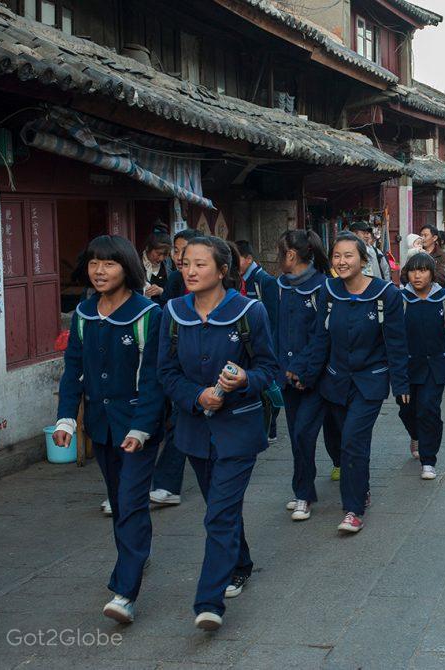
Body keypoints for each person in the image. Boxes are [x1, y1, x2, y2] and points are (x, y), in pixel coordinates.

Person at [158, 236, 279, 630]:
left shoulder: (249, 311)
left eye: (200, 264)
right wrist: (196, 396)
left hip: (238, 430)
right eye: (185, 263)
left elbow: (268, 369)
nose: (190, 271)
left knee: (219, 514)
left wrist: (244, 378)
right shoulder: (173, 313)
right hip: (194, 431)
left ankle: (208, 602)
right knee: (219, 506)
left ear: (223, 270)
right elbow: (166, 373)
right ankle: (240, 562)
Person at [53, 235, 164, 624]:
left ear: (127, 267)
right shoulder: (84, 313)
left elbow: (153, 378)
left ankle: (125, 591)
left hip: (138, 427)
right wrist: (67, 417)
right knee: (119, 501)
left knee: (132, 501)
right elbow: (74, 370)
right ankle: (132, 559)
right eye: (94, 263)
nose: (99, 271)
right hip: (100, 426)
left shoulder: (148, 314)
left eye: (110, 264)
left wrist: (142, 427)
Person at [311, 233, 410, 533]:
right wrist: (303, 373)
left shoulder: (386, 294)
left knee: (353, 439)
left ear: (364, 260)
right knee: (346, 443)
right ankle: (361, 487)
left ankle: (352, 510)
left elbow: (396, 342)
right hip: (335, 380)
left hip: (370, 381)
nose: (342, 262)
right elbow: (319, 337)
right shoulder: (328, 291)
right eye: (337, 256)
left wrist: (401, 384)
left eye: (348, 255)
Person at [275, 230, 333, 522]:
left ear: (291, 255)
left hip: (315, 377)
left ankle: (304, 494)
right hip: (287, 376)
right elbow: (278, 331)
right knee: (298, 435)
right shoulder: (280, 286)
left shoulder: (323, 287)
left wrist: (303, 369)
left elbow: (321, 336)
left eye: (279, 252)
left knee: (304, 433)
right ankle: (302, 490)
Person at [398, 253, 445, 479]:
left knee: (428, 409)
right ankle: (416, 435)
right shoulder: (399, 299)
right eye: (412, 270)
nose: (417, 275)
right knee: (406, 411)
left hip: (436, 365)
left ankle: (429, 460)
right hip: (407, 366)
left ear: (432, 273)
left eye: (422, 270)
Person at [149, 227, 201, 507]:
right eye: (176, 251)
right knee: (178, 423)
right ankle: (166, 484)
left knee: (184, 423)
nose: (179, 257)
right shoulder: (172, 280)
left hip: (204, 367)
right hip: (175, 364)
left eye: (184, 250)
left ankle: (168, 484)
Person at [236, 240, 281, 442]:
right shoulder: (236, 280)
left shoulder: (265, 281)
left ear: (248, 259)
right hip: (244, 343)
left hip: (262, 343)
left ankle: (270, 426)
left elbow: (273, 317)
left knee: (267, 386)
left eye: (236, 258)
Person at [140, 230, 172, 304]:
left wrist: (162, 291)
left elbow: (174, 293)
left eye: (165, 255)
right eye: (158, 253)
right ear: (148, 248)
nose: (161, 258)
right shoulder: (135, 262)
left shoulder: (169, 264)